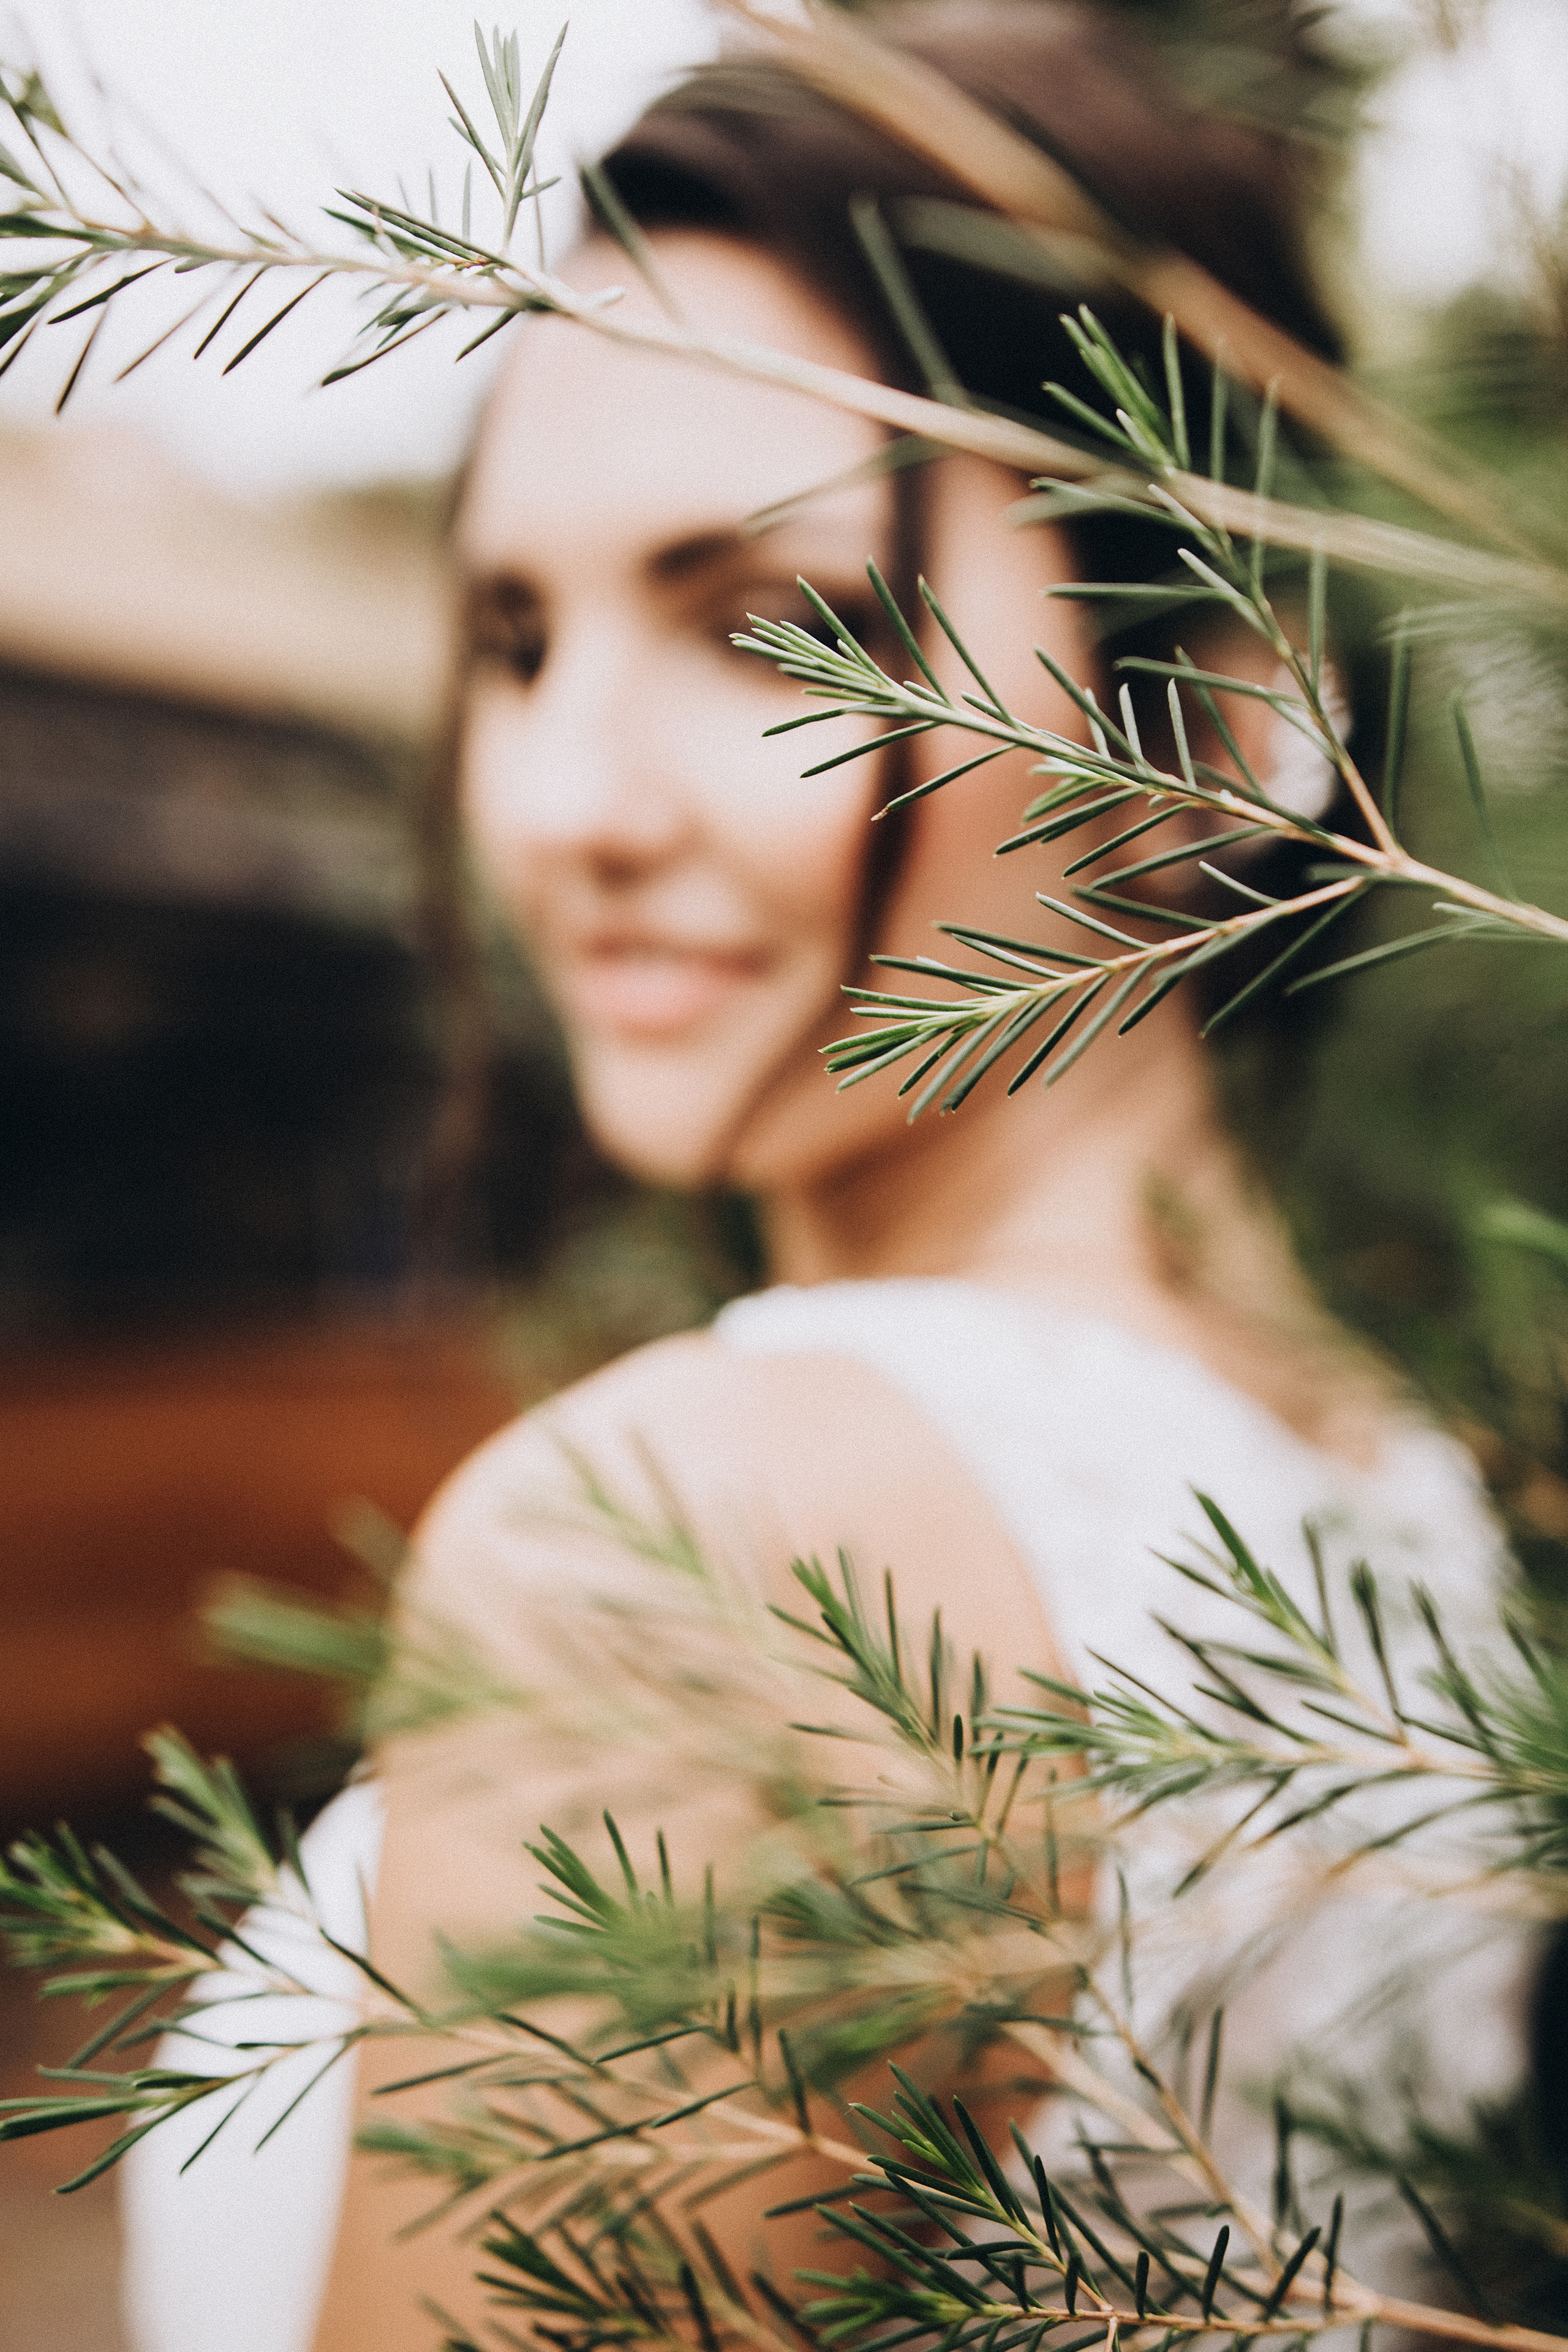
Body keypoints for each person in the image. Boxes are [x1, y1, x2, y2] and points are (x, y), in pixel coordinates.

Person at [121, 7, 1524, 2348]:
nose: (565, 801)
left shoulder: (705, 1556)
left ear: (1227, 708)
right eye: (514, 640)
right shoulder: (1398, 1489)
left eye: (775, 628)